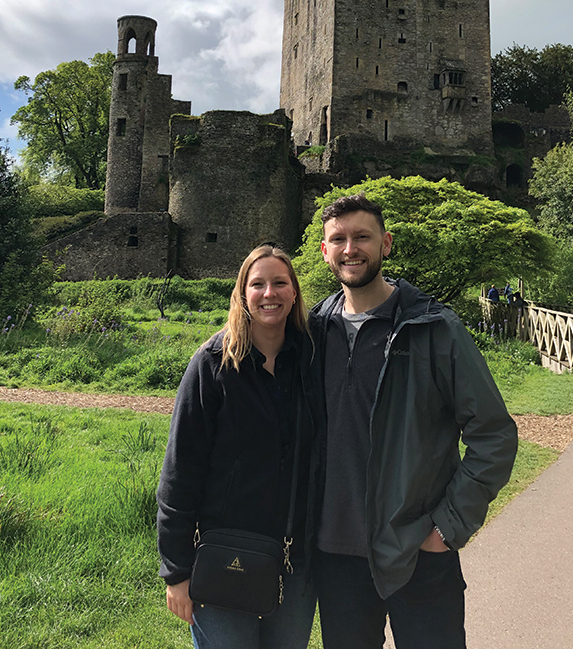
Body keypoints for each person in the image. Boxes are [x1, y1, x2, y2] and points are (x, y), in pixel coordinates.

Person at [308, 194, 518, 649]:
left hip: (418, 551)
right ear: (324, 251)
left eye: (362, 237)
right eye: (338, 239)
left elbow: (493, 434)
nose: (350, 249)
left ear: (386, 244)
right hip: (336, 556)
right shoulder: (312, 332)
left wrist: (448, 526)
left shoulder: (435, 329)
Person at [157, 244, 317, 649]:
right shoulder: (212, 364)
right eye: (257, 284)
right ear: (242, 294)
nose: (269, 293)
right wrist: (176, 571)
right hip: (226, 555)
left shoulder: (313, 359)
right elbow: (181, 470)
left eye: (280, 283)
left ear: (294, 292)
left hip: (294, 560)